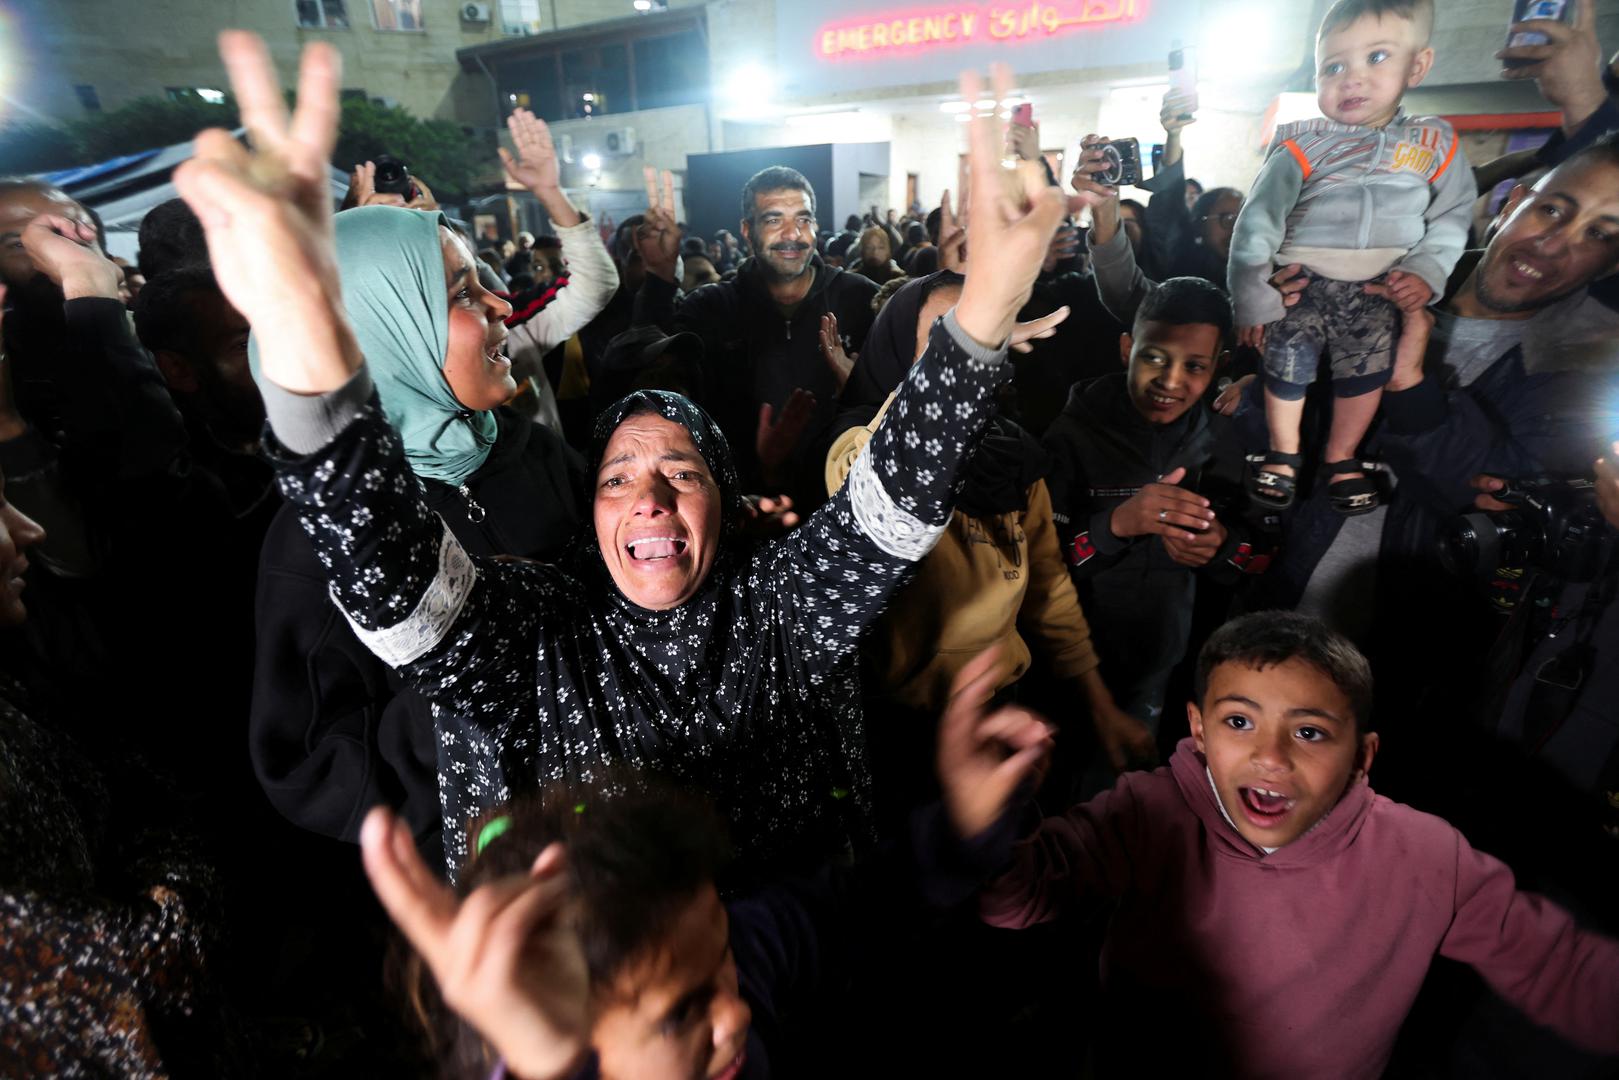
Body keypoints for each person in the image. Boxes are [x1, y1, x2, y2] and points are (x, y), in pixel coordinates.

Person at [178, 37, 1063, 882]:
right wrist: (308, 351)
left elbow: (885, 515)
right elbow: (396, 581)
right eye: (613, 477)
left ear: (724, 496)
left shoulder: (775, 615)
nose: (646, 496)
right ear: (588, 512)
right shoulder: (538, 642)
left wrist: (984, 306)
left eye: (681, 471)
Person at [955, 611, 1619, 1078]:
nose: (1268, 756)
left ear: (1362, 756)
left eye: (1307, 733)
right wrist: (989, 821)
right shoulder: (1148, 811)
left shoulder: (1426, 855)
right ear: (1198, 728)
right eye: (1239, 721)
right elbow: (1018, 896)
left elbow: (1558, 969)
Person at [250, 205, 589, 868]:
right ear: (378, 332)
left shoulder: (530, 450)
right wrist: (465, 771)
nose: (501, 302)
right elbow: (310, 766)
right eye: (462, 293)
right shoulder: (326, 537)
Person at [825, 271, 1150, 821]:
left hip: (999, 715)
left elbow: (1048, 590)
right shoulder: (855, 442)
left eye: (981, 339)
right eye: (947, 340)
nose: (968, 358)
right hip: (897, 735)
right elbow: (883, 482)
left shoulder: (1013, 456)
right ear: (897, 346)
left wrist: (1100, 705)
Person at [1230, 0, 1474, 516]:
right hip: (1301, 278)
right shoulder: (1300, 144)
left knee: (1366, 370)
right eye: (1333, 67)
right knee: (1286, 362)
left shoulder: (1435, 143)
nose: (1351, 79)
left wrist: (1428, 270)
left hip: (1380, 286)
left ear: (1419, 65)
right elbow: (1256, 223)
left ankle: (1341, 457)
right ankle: (1283, 452)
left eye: (1377, 57)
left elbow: (1452, 216)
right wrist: (1251, 296)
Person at [1043, 277, 1274, 753]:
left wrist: (1223, 548)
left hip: (1186, 681)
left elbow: (1264, 565)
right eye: (1154, 357)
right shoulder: (1071, 434)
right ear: (1127, 347)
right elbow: (1034, 570)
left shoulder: (1229, 437)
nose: (1170, 381)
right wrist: (1115, 526)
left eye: (1194, 366)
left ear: (1218, 367)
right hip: (1075, 674)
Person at [633, 166, 880, 511]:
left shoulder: (861, 300)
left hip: (848, 504)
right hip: (743, 509)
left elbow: (903, 401)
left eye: (804, 219)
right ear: (747, 230)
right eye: (774, 220)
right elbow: (648, 374)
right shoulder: (711, 307)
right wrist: (660, 276)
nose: (792, 234)